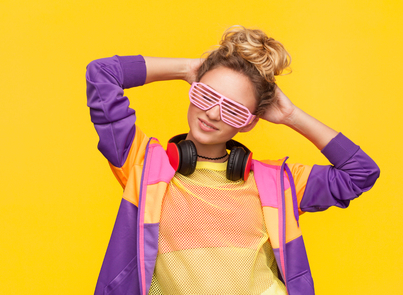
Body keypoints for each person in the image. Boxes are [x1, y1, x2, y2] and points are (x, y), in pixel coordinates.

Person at [85, 26, 380, 295]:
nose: (213, 114)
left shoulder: (277, 183)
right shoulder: (143, 166)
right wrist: (188, 68)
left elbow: (360, 172)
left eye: (233, 110)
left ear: (250, 123)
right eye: (206, 95)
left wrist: (292, 116)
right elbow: (101, 75)